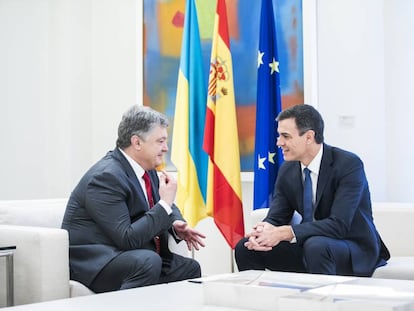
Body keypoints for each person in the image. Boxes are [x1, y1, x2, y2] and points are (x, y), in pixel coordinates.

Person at [62, 105, 205, 293]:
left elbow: (162, 203)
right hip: (96, 262)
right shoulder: (106, 178)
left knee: (189, 268)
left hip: (130, 255)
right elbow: (127, 237)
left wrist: (175, 222)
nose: (165, 148)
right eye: (160, 141)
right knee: (148, 261)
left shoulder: (148, 170)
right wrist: (165, 205)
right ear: (137, 143)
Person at [235, 104, 390, 277]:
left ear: (309, 137)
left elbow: (339, 225)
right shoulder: (288, 169)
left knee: (316, 246)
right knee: (246, 247)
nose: (279, 143)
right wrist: (265, 230)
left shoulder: (348, 164)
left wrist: (285, 232)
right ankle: (260, 302)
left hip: (351, 246)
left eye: (285, 136)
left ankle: (321, 303)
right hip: (310, 245)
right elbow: (278, 216)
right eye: (279, 136)